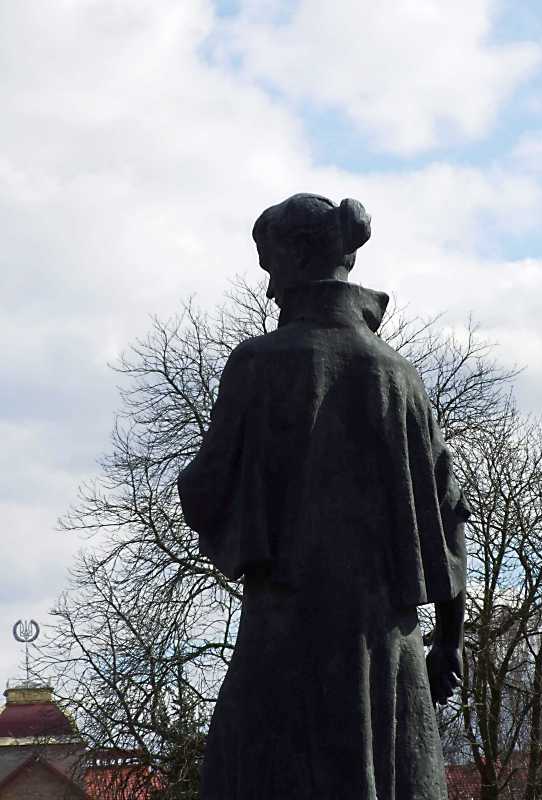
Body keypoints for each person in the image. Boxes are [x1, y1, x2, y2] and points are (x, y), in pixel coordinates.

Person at [178, 193, 470, 800]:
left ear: (297, 257)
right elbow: (448, 519)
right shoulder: (402, 377)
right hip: (388, 651)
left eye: (270, 267)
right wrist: (449, 639)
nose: (269, 289)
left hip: (287, 640)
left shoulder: (258, 365)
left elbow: (204, 495)